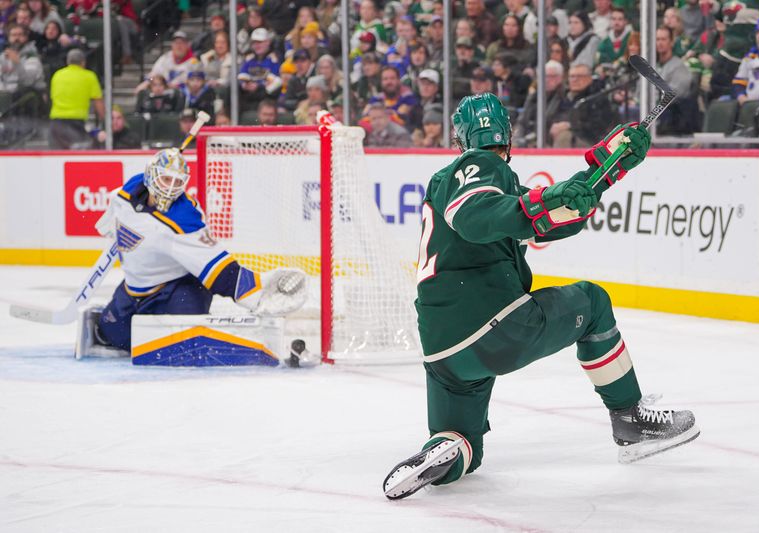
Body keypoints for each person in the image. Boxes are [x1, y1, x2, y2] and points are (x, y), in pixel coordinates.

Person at [382, 93, 699, 501]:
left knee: (464, 442)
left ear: (459, 137)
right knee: (593, 301)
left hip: (443, 352)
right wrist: (544, 200)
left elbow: (543, 219)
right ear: (507, 136)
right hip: (489, 324)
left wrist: (605, 169)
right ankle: (630, 418)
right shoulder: (478, 166)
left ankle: (442, 454)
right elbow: (479, 218)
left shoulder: (491, 185)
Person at [88, 148, 305, 353]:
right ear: (150, 176)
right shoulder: (130, 189)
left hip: (179, 288)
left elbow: (222, 271)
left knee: (184, 339)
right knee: (112, 335)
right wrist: (109, 225)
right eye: (166, 179)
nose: (171, 188)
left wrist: (259, 294)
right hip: (137, 289)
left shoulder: (184, 220)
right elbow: (117, 206)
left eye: (178, 182)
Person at [48, 48, 103, 149]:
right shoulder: (89, 76)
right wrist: (105, 119)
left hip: (56, 121)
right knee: (75, 153)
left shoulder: (57, 75)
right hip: (76, 122)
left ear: (67, 61)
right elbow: (98, 102)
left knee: (56, 156)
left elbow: (52, 97)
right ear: (83, 62)